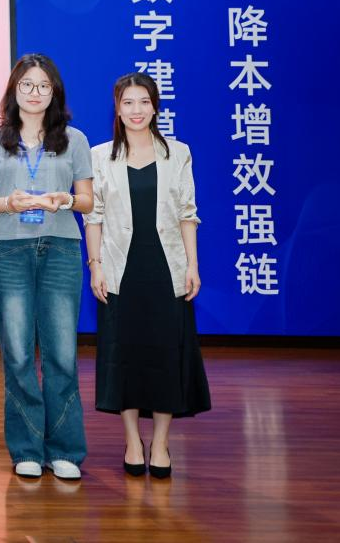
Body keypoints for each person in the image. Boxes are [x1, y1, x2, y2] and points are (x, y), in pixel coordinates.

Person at [0, 53, 93, 481]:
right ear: (14, 90)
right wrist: (9, 203)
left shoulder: (74, 139)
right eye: (27, 85)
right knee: (19, 354)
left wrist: (65, 199)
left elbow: (87, 200)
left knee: (61, 354)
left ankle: (65, 450)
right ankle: (26, 448)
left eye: (43, 85)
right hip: (9, 250)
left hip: (61, 247)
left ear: (54, 91)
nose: (35, 92)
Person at [86, 72, 211, 478]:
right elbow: (93, 217)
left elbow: (188, 214)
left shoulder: (178, 153)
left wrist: (192, 265)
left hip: (165, 268)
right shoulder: (99, 156)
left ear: (155, 107)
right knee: (124, 355)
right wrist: (95, 265)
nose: (136, 110)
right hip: (119, 269)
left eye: (144, 102)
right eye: (128, 103)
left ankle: (159, 443)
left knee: (164, 356)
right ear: (117, 109)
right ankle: (132, 441)